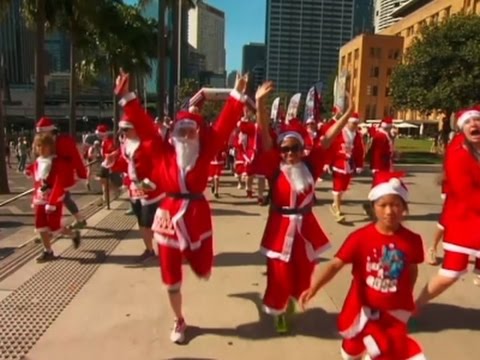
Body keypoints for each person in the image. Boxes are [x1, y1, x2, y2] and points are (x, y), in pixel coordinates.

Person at [115, 70, 249, 343]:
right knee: (171, 276)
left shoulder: (205, 152)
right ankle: (179, 319)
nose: (186, 135)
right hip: (168, 216)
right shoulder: (160, 150)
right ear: (173, 134)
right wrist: (127, 97)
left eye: (191, 131)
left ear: (198, 134)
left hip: (196, 214)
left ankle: (196, 262)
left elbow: (223, 127)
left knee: (202, 267)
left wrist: (236, 95)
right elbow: (143, 125)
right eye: (181, 131)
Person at [255, 83, 354, 333]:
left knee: (303, 272)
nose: (290, 153)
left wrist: (349, 112)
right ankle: (278, 311)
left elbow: (328, 138)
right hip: (279, 228)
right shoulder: (274, 167)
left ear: (301, 149)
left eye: (295, 148)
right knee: (278, 274)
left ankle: (290, 301)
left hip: (305, 228)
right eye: (285, 149)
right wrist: (259, 104)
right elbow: (264, 135)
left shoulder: (310, 165)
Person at [299, 172, 425, 360]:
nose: (389, 211)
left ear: (404, 208)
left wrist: (408, 294)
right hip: (362, 311)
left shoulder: (413, 241)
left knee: (386, 350)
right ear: (373, 208)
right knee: (351, 352)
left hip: (393, 312)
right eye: (383, 205)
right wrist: (314, 287)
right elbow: (335, 265)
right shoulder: (360, 238)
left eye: (396, 205)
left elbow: (412, 269)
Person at [416, 107, 480, 307]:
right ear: (462, 129)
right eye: (469, 123)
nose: (474, 125)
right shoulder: (457, 153)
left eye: (477, 121)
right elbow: (466, 194)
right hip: (464, 221)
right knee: (450, 274)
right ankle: (411, 308)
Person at [102, 112, 165, 262]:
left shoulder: (148, 145)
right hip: (135, 189)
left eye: (126, 130)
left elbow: (160, 164)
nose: (123, 133)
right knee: (142, 223)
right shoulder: (126, 146)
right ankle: (150, 250)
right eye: (122, 130)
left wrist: (152, 182)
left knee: (149, 224)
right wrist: (111, 163)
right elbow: (126, 165)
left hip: (151, 191)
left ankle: (169, 248)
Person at [26, 133, 81, 262]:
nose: (42, 149)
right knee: (40, 225)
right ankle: (48, 251)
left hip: (54, 199)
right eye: (39, 146)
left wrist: (52, 200)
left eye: (45, 145)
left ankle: (73, 234)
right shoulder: (38, 162)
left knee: (54, 226)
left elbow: (59, 183)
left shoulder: (56, 162)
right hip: (40, 198)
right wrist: (29, 171)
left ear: (51, 147)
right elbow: (36, 176)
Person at [35, 117, 87, 229]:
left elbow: (75, 158)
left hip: (61, 176)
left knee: (59, 199)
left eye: (42, 131)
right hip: (49, 177)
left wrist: (81, 173)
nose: (40, 134)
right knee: (63, 199)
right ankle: (78, 219)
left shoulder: (64, 141)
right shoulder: (44, 141)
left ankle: (48, 229)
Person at [326, 112, 365, 222]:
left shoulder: (357, 135)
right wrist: (327, 162)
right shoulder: (339, 132)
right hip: (338, 163)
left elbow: (359, 151)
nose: (355, 126)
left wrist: (359, 165)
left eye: (356, 124)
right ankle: (337, 210)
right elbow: (330, 147)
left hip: (349, 164)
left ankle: (335, 204)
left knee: (343, 187)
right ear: (347, 122)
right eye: (353, 123)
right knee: (337, 187)